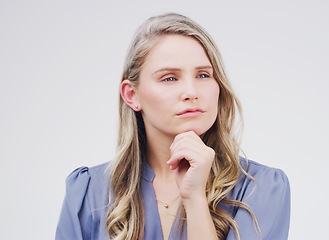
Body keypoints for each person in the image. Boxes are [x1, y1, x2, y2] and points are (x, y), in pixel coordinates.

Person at [56, 13, 290, 240]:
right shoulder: (87, 193)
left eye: (203, 75)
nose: (191, 92)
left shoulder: (261, 189)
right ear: (131, 95)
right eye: (169, 78)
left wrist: (195, 198)